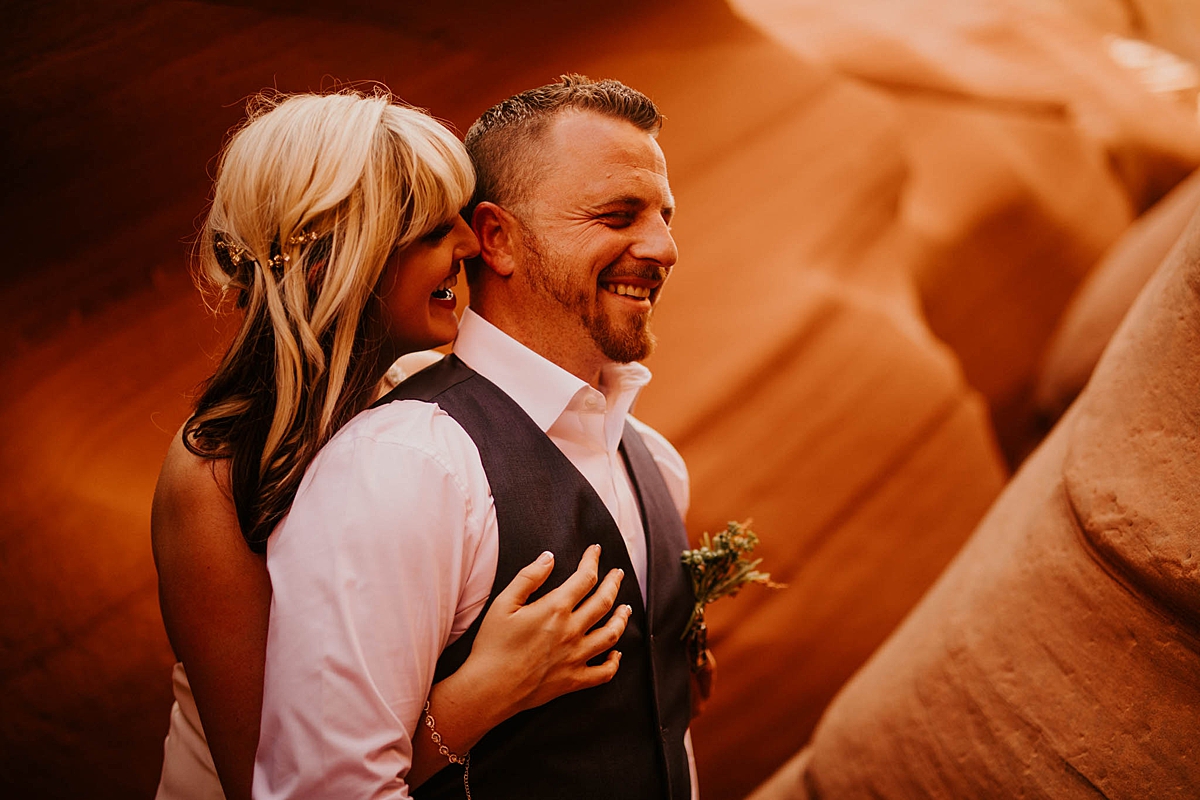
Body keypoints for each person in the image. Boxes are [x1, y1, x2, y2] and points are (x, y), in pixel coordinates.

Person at [151, 89, 632, 800]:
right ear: (341, 256)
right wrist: (488, 688)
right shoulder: (214, 477)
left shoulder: (420, 405)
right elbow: (275, 779)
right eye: (436, 231)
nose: (469, 247)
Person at [256, 75, 695, 799]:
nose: (664, 247)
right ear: (495, 239)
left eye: (665, 216)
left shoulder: (659, 465)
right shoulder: (407, 466)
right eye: (618, 216)